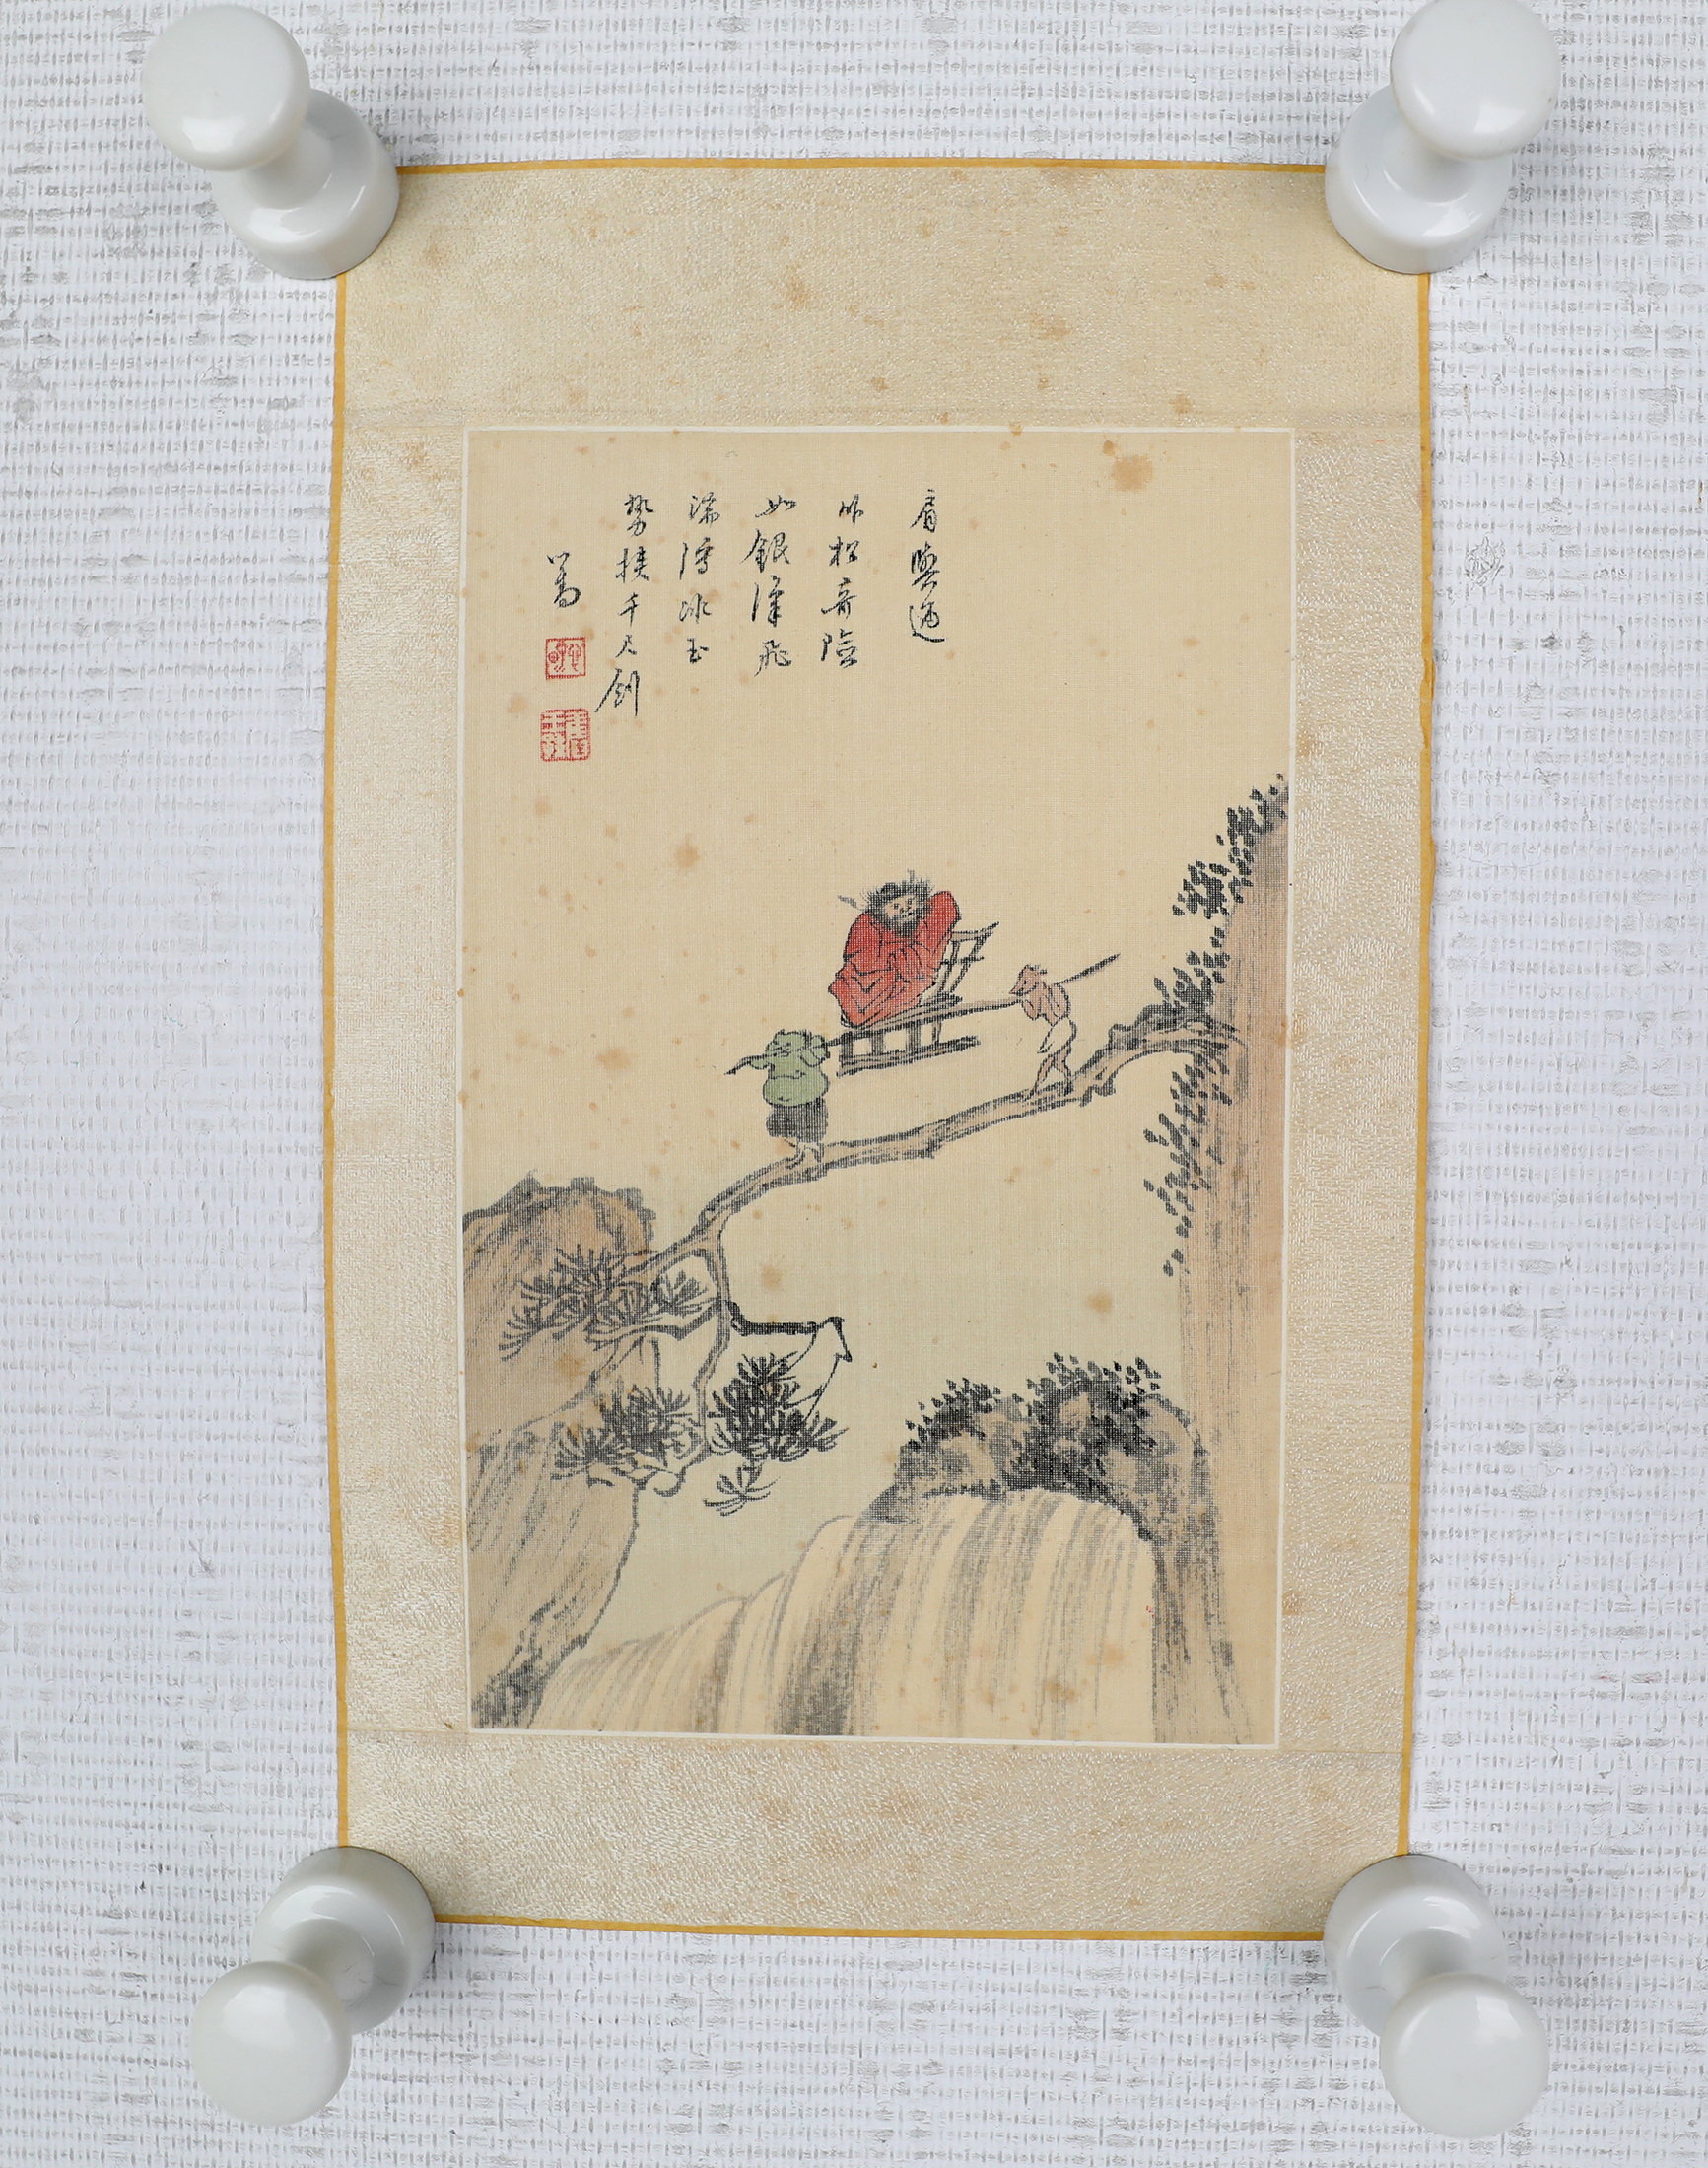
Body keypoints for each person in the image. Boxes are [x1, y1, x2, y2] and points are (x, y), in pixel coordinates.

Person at [829, 877, 960, 1029]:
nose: (905, 909)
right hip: (871, 991)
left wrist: (912, 955)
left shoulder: (923, 924)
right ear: (881, 911)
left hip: (904, 990)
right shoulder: (868, 924)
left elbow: (945, 901)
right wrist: (896, 958)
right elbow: (863, 964)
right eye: (895, 906)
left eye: (909, 902)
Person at [728, 1030, 832, 1162]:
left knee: (806, 1128)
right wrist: (744, 1062)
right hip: (783, 1105)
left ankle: (811, 1151)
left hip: (806, 1103)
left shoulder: (805, 1052)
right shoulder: (776, 1053)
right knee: (787, 1130)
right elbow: (760, 1061)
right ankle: (799, 1152)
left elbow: (815, 1055)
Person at [1012, 965, 1076, 1095]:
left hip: (1062, 1026)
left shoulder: (1050, 989)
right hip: (1060, 1028)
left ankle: (1035, 1089)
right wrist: (1024, 1002)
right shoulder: (1038, 994)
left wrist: (1049, 1000)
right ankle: (1068, 1081)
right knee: (1058, 1062)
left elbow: (1063, 1010)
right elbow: (1034, 1015)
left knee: (1050, 1061)